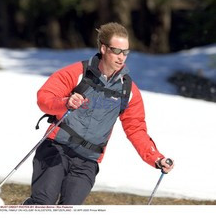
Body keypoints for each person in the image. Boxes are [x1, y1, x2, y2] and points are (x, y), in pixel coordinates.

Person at [23, 22, 174, 205]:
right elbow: (44, 98)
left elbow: (136, 129)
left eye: (125, 52)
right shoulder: (78, 73)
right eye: (116, 51)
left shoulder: (128, 91)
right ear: (103, 48)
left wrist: (156, 158)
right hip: (56, 147)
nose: (121, 58)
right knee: (43, 204)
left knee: (69, 211)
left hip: (88, 160)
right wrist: (65, 103)